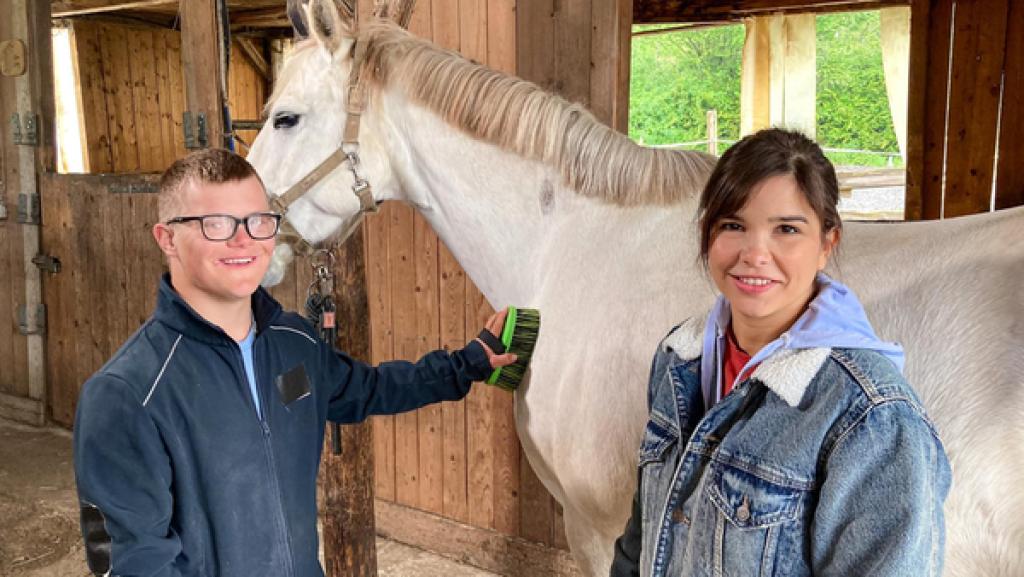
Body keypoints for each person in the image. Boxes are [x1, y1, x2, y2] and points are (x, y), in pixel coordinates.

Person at [73, 148, 516, 577]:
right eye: (216, 224)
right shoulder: (127, 394)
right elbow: (136, 562)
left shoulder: (293, 343)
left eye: (258, 221)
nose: (243, 239)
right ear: (166, 237)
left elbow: (372, 389)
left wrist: (469, 362)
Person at [609, 128, 951, 577]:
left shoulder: (873, 419)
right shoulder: (680, 359)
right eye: (733, 225)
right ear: (706, 233)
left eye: (786, 229)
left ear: (827, 243)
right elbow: (645, 534)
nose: (755, 254)